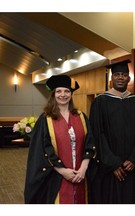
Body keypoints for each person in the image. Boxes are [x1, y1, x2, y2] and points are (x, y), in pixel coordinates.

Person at [24, 74, 97, 204]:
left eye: (67, 91)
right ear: (53, 94)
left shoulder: (81, 117)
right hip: (56, 177)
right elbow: (41, 151)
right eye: (58, 91)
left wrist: (83, 169)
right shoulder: (45, 119)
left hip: (81, 176)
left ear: (71, 94)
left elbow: (90, 144)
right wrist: (63, 171)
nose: (63, 95)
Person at [89, 59, 135, 204]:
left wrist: (134, 158)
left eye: (124, 74)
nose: (120, 78)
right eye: (117, 74)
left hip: (131, 167)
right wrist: (113, 163)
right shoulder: (100, 102)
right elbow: (98, 134)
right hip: (108, 168)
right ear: (112, 78)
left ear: (129, 78)